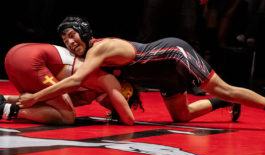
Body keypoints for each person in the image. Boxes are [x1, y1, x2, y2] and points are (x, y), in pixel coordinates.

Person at [18, 16, 265, 125]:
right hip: (163, 75)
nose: (70, 43)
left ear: (83, 32)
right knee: (182, 116)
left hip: (175, 54)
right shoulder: (94, 57)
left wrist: (36, 97)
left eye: (72, 35)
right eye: (65, 40)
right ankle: (223, 102)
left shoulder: (98, 50)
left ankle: (234, 98)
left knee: (227, 88)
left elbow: (77, 81)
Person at [2, 43, 136, 125]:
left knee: (51, 104)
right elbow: (129, 120)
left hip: (16, 54)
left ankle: (4, 99)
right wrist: (35, 97)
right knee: (67, 117)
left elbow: (53, 100)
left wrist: (35, 98)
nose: (110, 106)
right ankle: (6, 110)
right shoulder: (108, 80)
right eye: (117, 104)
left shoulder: (91, 90)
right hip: (31, 59)